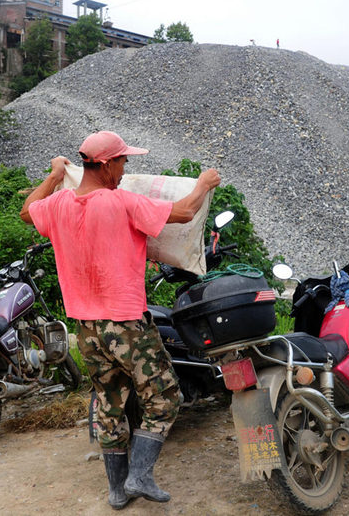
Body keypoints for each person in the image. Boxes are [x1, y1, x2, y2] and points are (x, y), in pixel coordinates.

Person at [20, 131, 220, 510]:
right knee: (164, 397)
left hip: (86, 327)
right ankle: (139, 475)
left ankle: (116, 491)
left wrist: (52, 174)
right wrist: (204, 183)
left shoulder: (59, 203)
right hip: (125, 323)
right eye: (124, 162)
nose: (126, 169)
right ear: (107, 164)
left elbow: (27, 210)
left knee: (110, 404)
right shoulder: (124, 203)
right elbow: (185, 212)